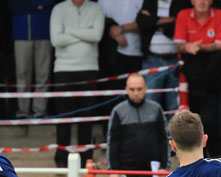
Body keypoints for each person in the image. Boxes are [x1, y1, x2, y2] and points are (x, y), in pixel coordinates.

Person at [49, 0, 103, 168]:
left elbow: (97, 35)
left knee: (86, 117)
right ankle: (61, 158)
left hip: (89, 68)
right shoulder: (59, 9)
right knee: (64, 117)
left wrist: (68, 31)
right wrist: (85, 33)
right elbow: (56, 40)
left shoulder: (96, 8)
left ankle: (85, 157)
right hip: (63, 69)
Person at [174, 0, 221, 154]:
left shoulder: (219, 15)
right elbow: (179, 44)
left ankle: (216, 157)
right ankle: (196, 157)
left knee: (212, 120)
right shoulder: (183, 15)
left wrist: (195, 46)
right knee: (192, 119)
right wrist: (187, 47)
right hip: (191, 76)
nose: (202, 2)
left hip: (213, 76)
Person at [135, 0, 187, 112]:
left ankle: (172, 130)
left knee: (174, 104)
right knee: (150, 101)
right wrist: (166, 21)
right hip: (152, 60)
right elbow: (141, 22)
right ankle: (151, 130)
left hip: (174, 60)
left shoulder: (180, 3)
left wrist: (154, 22)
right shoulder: (150, 2)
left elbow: (180, 25)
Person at [9, 0, 55, 119]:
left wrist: (28, 5)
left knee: (43, 75)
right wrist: (38, 5)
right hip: (21, 34)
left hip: (44, 32)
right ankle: (23, 111)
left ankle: (40, 111)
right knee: (22, 75)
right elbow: (13, 4)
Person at [99, 0, 144, 75]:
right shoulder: (104, 1)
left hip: (139, 54)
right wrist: (111, 27)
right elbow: (97, 20)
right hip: (112, 54)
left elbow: (149, 23)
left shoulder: (145, 1)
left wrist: (121, 28)